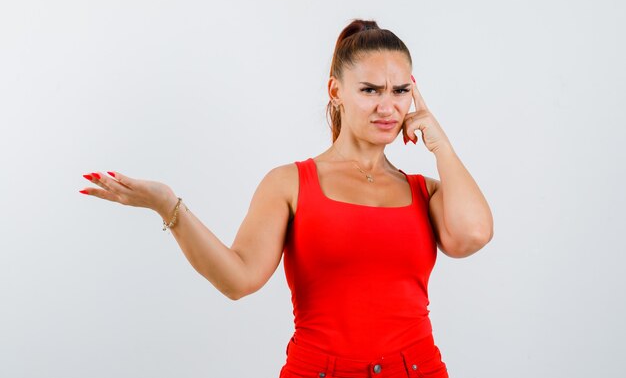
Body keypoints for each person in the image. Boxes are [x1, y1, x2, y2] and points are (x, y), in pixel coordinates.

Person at [79, 19, 493, 378]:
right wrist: (167, 204)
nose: (388, 106)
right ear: (336, 91)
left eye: (400, 91)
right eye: (369, 90)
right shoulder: (290, 184)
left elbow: (471, 235)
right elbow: (238, 279)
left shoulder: (426, 190)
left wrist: (441, 146)